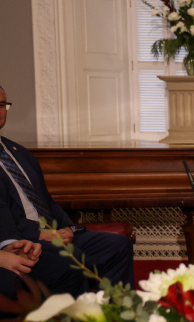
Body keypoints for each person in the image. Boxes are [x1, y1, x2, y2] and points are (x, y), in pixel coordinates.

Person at [0, 86, 134, 299]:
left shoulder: (21, 153)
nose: (0, 110)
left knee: (117, 246)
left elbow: (46, 200)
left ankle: (116, 317)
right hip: (24, 238)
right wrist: (40, 233)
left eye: (2, 104)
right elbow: (4, 216)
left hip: (50, 232)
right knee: (70, 258)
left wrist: (67, 228)